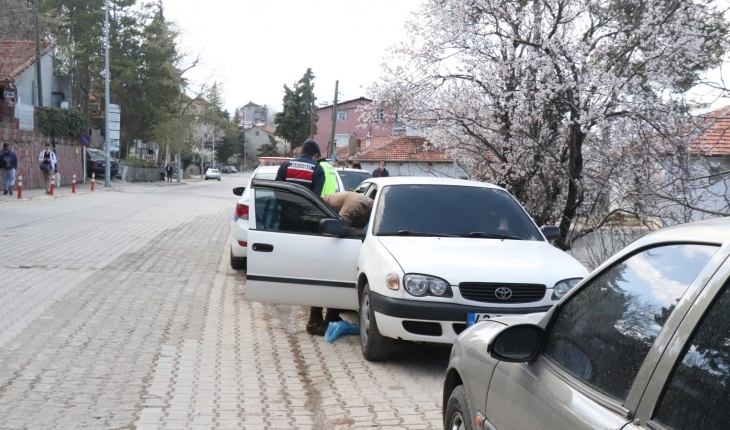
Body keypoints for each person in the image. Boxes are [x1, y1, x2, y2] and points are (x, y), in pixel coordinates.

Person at [275, 139, 329, 335]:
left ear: (301, 150)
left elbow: (277, 191)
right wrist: (302, 215)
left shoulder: (286, 165)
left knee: (285, 260)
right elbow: (314, 200)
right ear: (315, 155)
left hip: (286, 221)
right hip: (306, 225)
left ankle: (282, 293)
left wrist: (288, 210)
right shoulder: (318, 170)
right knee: (307, 264)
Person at [320, 191, 375, 325]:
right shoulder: (356, 206)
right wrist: (363, 233)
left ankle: (331, 317)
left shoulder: (371, 208)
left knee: (337, 276)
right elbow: (339, 228)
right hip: (320, 217)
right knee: (324, 276)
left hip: (332, 225)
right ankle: (315, 320)